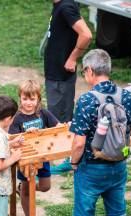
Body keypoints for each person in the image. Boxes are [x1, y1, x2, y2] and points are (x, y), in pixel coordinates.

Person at [69, 49, 131, 216]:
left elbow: (79, 143)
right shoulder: (126, 96)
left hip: (91, 167)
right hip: (118, 165)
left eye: (84, 71)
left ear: (90, 70)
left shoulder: (86, 100)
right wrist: (123, 131)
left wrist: (74, 163)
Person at [45, 0, 92, 173]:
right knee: (60, 114)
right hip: (55, 72)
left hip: (60, 75)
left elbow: (86, 34)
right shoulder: (62, 5)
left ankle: (66, 160)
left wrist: (73, 58)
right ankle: (67, 156)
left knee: (59, 117)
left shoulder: (66, 7)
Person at [8, 80, 60, 216]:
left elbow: (57, 126)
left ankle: (22, 189)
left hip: (43, 156)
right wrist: (26, 134)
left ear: (38, 99)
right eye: (25, 99)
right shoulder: (17, 118)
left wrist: (64, 125)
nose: (28, 103)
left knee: (45, 187)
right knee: (26, 190)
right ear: (20, 98)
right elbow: (12, 139)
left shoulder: (43, 113)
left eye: (32, 99)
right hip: (25, 158)